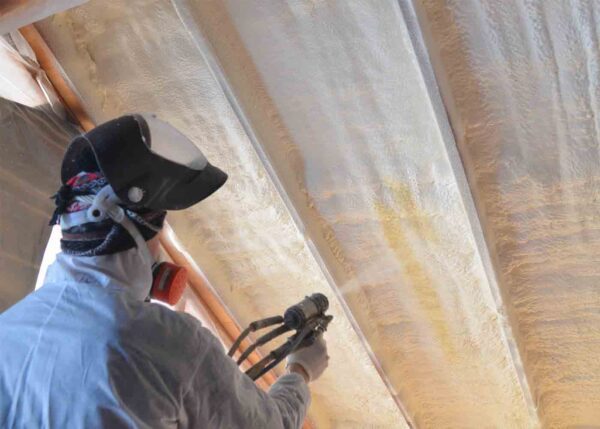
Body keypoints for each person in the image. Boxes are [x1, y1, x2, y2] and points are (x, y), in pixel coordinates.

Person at [0, 114, 329, 428]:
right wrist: (300, 371)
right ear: (136, 233)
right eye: (161, 232)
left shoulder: (10, 327)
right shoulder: (170, 343)